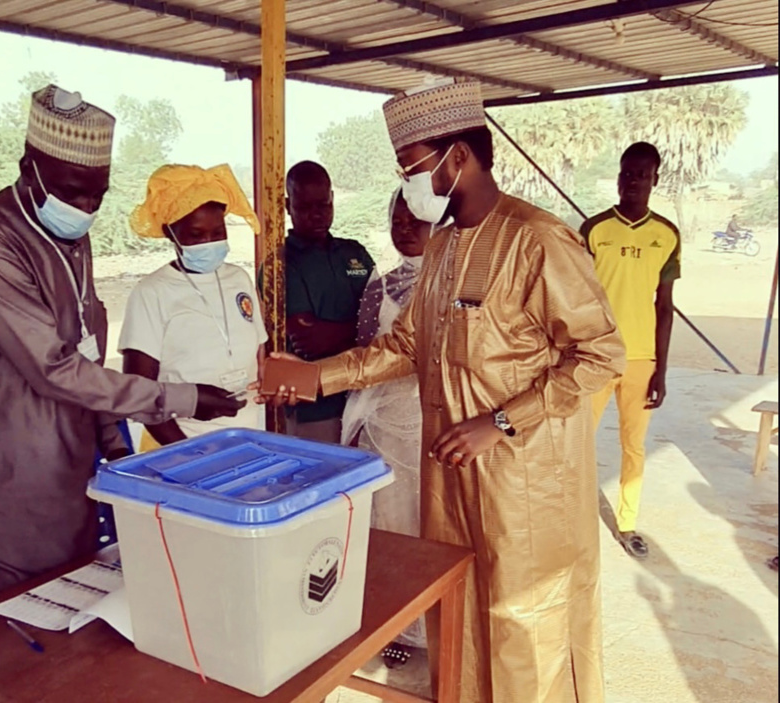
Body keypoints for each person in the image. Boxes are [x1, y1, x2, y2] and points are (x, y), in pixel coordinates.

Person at [259, 78, 626, 702]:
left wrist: (504, 421)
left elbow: (600, 354)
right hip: (450, 475)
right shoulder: (445, 247)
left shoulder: (537, 239)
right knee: (460, 611)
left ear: (458, 159)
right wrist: (313, 375)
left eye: (411, 169)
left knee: (522, 621)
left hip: (526, 481)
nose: (407, 186)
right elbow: (406, 347)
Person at [0, 85, 244, 612]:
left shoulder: (71, 237)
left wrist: (116, 449)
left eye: (97, 194)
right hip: (2, 481)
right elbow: (54, 368)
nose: (86, 208)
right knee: (5, 626)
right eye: (74, 193)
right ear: (29, 168)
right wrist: (182, 398)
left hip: (72, 470)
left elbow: (87, 349)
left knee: (70, 613)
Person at [341, 187, 432, 669]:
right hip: (385, 426)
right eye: (396, 218)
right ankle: (397, 625)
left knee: (433, 529)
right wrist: (355, 425)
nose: (403, 228)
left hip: (437, 426)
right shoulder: (380, 284)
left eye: (413, 219)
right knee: (391, 528)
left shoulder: (453, 284)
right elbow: (363, 359)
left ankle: (438, 620)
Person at [118, 164, 268, 450]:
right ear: (170, 233)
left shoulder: (239, 279)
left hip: (244, 440)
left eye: (218, 231)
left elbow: (260, 350)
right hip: (177, 447)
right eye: (196, 235)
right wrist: (190, 456)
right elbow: (139, 391)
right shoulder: (152, 293)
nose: (209, 243)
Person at [582, 142, 681, 560]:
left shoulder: (667, 235)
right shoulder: (595, 229)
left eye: (642, 174)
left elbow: (664, 306)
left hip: (642, 360)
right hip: (597, 357)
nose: (633, 181)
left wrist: (661, 369)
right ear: (618, 176)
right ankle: (575, 520)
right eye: (627, 173)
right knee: (578, 442)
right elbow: (576, 297)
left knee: (633, 446)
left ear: (655, 179)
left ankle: (626, 524)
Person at [280, 160, 375, 443]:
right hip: (316, 404)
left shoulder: (354, 252)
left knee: (365, 483)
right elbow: (309, 340)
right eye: (305, 207)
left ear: (332, 199)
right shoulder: (281, 263)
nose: (317, 215)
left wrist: (337, 331)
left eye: (323, 205)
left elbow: (386, 317)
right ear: (288, 206)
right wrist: (367, 331)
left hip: (366, 395)